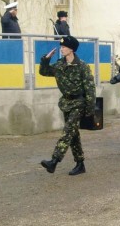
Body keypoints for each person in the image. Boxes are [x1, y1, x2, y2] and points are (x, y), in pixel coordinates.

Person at [40, 36, 96, 175]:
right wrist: (45, 60)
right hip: (66, 103)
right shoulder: (59, 65)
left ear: (71, 49)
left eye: (64, 47)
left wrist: (89, 109)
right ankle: (80, 163)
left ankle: (54, 161)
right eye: (61, 47)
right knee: (73, 134)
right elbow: (44, 72)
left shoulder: (82, 66)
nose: (62, 49)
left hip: (79, 103)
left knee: (67, 131)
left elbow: (90, 88)